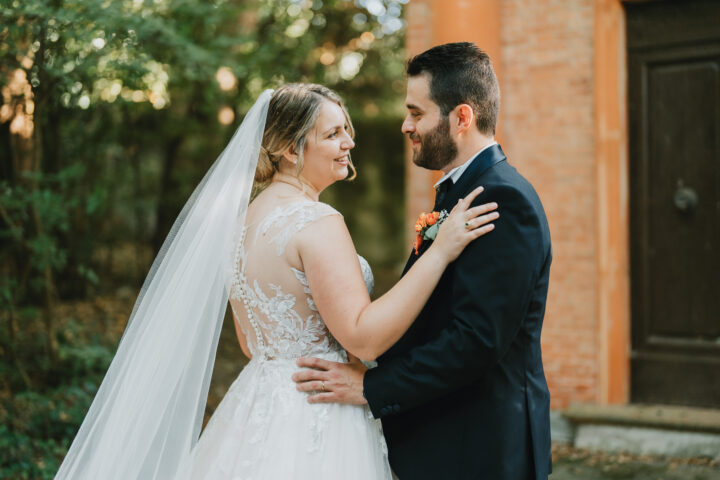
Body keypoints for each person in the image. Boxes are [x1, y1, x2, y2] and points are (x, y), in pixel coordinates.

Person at [54, 83, 498, 480]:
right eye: (333, 134)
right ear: (289, 148)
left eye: (346, 129)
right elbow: (364, 340)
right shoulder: (317, 221)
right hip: (319, 411)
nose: (350, 142)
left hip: (255, 406)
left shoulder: (241, 225)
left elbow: (251, 343)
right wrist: (439, 253)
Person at [293, 43, 553, 480]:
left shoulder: (503, 199)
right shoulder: (459, 191)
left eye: (417, 113)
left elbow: (476, 340)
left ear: (462, 118)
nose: (405, 125)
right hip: (446, 438)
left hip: (482, 449)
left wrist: (371, 388)